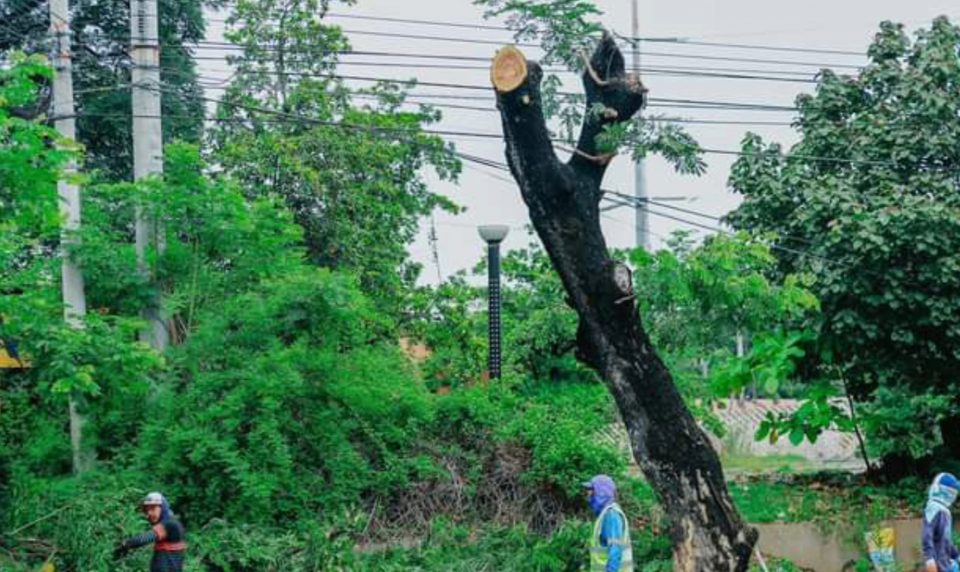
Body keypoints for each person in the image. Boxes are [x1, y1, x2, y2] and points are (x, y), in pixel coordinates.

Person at [114, 492, 186, 572]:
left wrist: (125, 545)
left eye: (153, 509)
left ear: (163, 508)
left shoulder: (170, 524)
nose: (149, 513)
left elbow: (144, 539)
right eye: (147, 510)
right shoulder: (173, 522)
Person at [583, 474, 634, 572]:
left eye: (591, 490)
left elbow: (615, 550)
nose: (588, 494)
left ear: (601, 492)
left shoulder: (611, 515)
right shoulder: (605, 514)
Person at [923, 473, 960, 572]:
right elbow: (927, 536)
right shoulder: (933, 508)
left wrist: (957, 555)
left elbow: (946, 540)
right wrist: (929, 560)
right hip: (938, 566)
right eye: (951, 491)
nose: (953, 495)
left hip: (947, 564)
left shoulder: (945, 511)